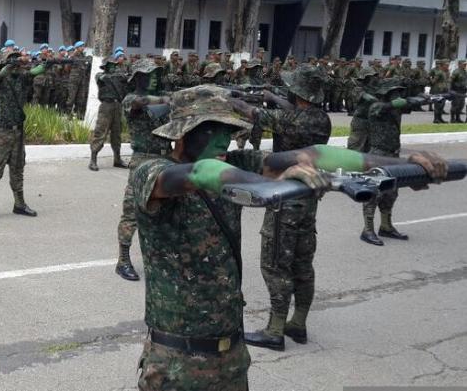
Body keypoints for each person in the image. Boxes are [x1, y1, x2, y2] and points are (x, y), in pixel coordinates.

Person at [130, 84, 448, 391]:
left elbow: (316, 155)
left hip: (231, 358)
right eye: (213, 129)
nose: (224, 140)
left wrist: (405, 165)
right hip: (176, 366)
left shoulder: (235, 163)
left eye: (229, 130)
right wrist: (270, 185)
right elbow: (201, 175)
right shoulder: (152, 171)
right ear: (183, 134)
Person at [229, 66, 331, 351]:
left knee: (275, 264)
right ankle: (298, 324)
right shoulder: (321, 118)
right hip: (308, 198)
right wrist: (269, 95)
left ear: (298, 93)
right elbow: (287, 109)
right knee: (302, 263)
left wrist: (232, 99)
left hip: (285, 197)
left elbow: (254, 115)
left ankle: (274, 330)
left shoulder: (292, 120)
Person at [116, 60, 171, 282]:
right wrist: (165, 99)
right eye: (150, 74)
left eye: (157, 74)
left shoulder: (166, 97)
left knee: (165, 211)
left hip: (166, 158)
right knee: (133, 211)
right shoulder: (131, 99)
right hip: (142, 160)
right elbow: (139, 102)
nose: (156, 77)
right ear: (139, 78)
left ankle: (160, 258)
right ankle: (123, 260)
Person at [359, 79, 424, 246]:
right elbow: (381, 109)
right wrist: (396, 103)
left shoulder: (396, 109)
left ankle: (386, 226)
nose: (398, 94)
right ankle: (367, 230)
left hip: (393, 155)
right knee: (374, 193)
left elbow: (409, 105)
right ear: (386, 93)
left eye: (399, 92)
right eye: (394, 92)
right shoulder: (376, 107)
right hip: (378, 155)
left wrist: (424, 99)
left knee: (391, 192)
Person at [0, 50, 41, 221]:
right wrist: (9, 66)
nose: (16, 65)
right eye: (12, 61)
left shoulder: (21, 79)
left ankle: (19, 204)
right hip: (2, 131)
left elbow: (35, 72)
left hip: (18, 131)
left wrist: (43, 64)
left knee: (18, 168)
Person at [89, 55, 129, 171]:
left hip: (117, 106)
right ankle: (93, 160)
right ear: (105, 67)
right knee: (100, 132)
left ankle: (117, 159)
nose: (112, 67)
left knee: (117, 134)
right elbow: (103, 78)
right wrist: (118, 76)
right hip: (106, 106)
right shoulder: (101, 76)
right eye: (110, 65)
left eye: (114, 66)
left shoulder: (119, 76)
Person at [429, 59, 451, 124]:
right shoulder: (439, 72)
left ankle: (440, 118)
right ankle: (436, 119)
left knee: (442, 105)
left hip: (443, 91)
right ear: (442, 65)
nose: (447, 66)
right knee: (437, 106)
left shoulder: (445, 72)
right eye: (446, 65)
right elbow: (433, 81)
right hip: (437, 91)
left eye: (448, 65)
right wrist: (430, 79)